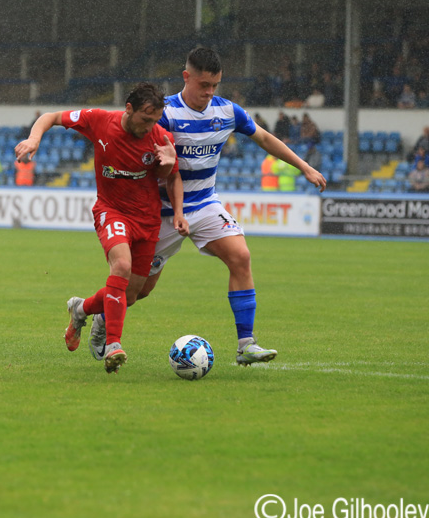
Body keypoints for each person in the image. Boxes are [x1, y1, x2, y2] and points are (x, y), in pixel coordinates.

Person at [89, 48, 326, 366]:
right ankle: (98, 318)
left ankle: (246, 345)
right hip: (161, 212)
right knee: (136, 293)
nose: (209, 92)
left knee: (241, 257)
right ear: (186, 77)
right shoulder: (165, 113)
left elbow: (266, 139)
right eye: (204, 85)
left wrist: (304, 167)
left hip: (204, 205)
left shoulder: (228, 111)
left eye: (215, 85)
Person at [14, 82, 187, 373]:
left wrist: (169, 169)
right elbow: (51, 117)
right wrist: (34, 140)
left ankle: (81, 310)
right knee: (120, 266)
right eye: (145, 119)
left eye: (155, 120)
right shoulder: (99, 120)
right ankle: (113, 344)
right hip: (112, 211)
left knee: (134, 295)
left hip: (148, 220)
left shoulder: (160, 137)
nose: (150, 127)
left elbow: (170, 178)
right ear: (128, 109)